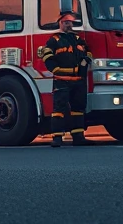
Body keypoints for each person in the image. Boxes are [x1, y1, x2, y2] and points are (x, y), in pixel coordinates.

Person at [39, 10, 92, 147]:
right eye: (66, 22)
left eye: (70, 22)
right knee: (59, 109)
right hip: (61, 79)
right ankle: (57, 138)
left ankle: (78, 137)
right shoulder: (54, 40)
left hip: (78, 80)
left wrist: (85, 62)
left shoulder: (78, 39)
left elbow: (88, 52)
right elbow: (47, 56)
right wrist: (56, 70)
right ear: (60, 23)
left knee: (78, 108)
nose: (69, 25)